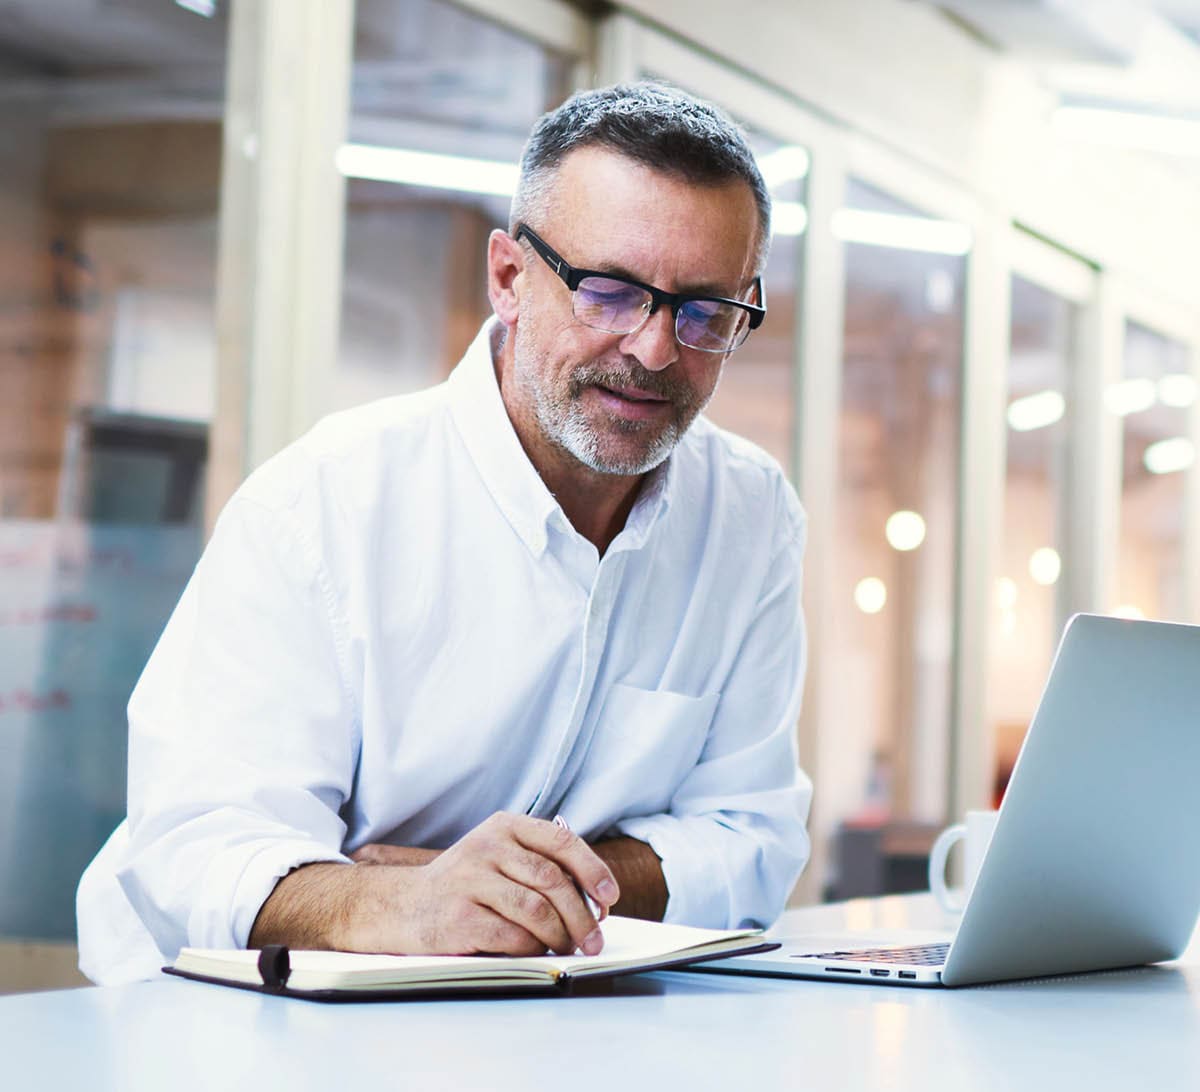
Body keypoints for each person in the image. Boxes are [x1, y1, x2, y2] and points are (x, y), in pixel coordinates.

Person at [77, 81, 812, 985]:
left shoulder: (751, 516)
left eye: (705, 313)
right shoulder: (324, 506)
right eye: (611, 293)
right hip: (222, 1028)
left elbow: (752, 843)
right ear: (509, 278)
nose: (657, 350)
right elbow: (192, 847)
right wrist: (396, 902)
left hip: (543, 1026)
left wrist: (498, 887)